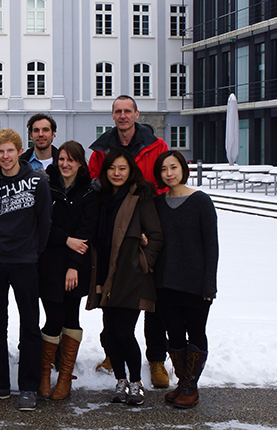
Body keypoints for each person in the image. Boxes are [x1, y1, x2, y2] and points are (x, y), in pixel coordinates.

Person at [88, 95, 170, 387]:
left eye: (127, 111)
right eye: (117, 111)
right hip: (115, 229)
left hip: (148, 225)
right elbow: (97, 185)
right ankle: (114, 353)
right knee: (110, 294)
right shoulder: (101, 150)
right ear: (112, 116)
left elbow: (164, 179)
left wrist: (147, 244)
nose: (123, 116)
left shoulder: (156, 146)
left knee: (152, 299)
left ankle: (156, 358)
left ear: (136, 114)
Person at [0, 129, 52, 411]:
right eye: (0, 151)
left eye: (10, 150)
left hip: (25, 261)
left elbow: (44, 222)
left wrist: (33, 252)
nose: (5, 156)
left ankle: (28, 386)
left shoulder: (37, 180)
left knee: (30, 325)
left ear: (20, 151)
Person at [86, 148, 163, 406]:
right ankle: (120, 380)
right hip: (106, 273)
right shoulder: (101, 197)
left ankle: (136, 383)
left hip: (131, 275)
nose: (116, 173)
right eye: (111, 168)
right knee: (111, 333)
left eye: (122, 168)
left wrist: (144, 260)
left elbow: (156, 235)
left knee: (124, 332)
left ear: (130, 171)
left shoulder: (141, 196)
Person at [153, 150, 218, 409]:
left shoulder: (201, 202)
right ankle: (183, 381)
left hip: (195, 284)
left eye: (173, 167)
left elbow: (211, 247)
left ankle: (191, 386)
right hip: (166, 281)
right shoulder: (159, 203)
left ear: (183, 169)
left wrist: (209, 284)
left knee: (196, 333)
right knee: (174, 334)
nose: (169, 173)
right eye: (164, 170)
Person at [38, 141, 98, 401]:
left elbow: (86, 230)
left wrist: (73, 264)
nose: (65, 164)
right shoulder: (46, 184)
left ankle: (64, 376)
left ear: (80, 163)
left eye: (71, 159)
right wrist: (65, 239)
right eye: (62, 158)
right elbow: (41, 223)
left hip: (77, 265)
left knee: (71, 318)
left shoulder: (89, 191)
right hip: (49, 263)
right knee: (53, 318)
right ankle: (43, 375)